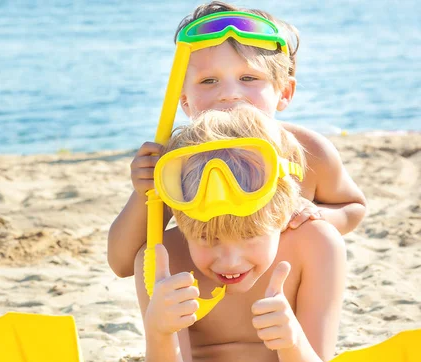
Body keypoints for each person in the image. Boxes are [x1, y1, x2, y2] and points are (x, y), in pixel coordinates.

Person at [107, 1, 365, 279]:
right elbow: (122, 263)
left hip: (283, 300)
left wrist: (317, 216)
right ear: (184, 100)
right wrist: (143, 193)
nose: (229, 94)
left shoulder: (309, 151)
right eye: (208, 81)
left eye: (248, 77)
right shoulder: (181, 161)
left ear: (284, 92)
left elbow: (353, 207)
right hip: (207, 307)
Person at [134, 106, 346, 362]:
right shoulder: (162, 261)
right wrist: (160, 335)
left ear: (284, 213)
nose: (230, 261)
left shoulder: (318, 247)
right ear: (181, 220)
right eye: (207, 238)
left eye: (249, 235)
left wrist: (292, 344)